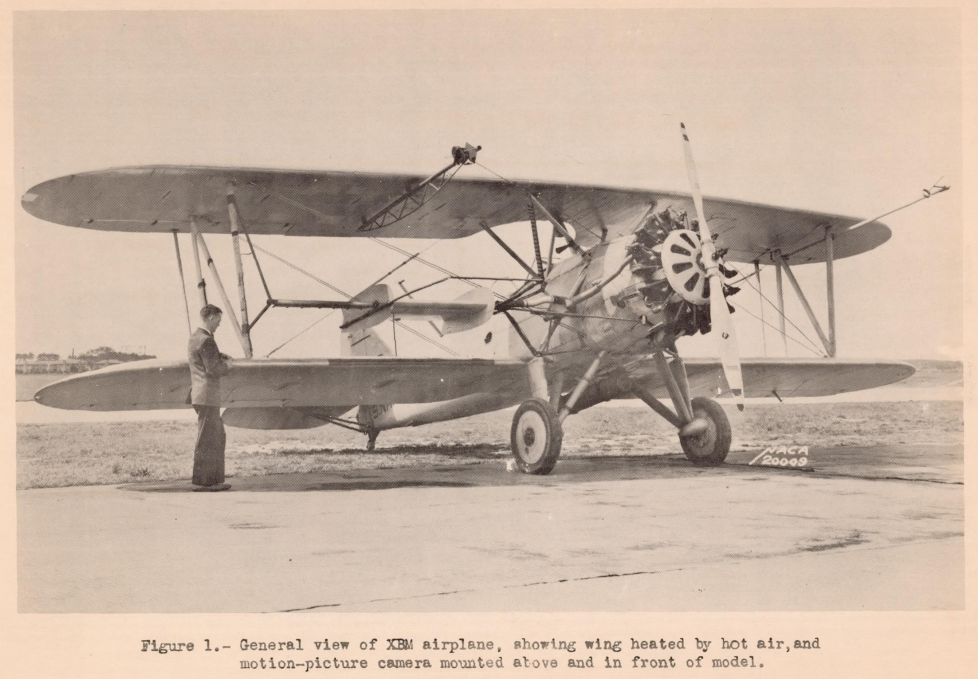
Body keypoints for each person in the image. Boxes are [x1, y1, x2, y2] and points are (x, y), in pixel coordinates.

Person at [187, 304, 232, 491]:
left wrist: (219, 355)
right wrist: (228, 365)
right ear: (211, 318)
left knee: (214, 435)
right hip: (208, 396)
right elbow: (212, 369)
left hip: (201, 395)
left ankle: (209, 480)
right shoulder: (207, 340)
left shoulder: (195, 337)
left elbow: (204, 357)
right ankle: (206, 482)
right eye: (218, 321)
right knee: (210, 437)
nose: (219, 325)